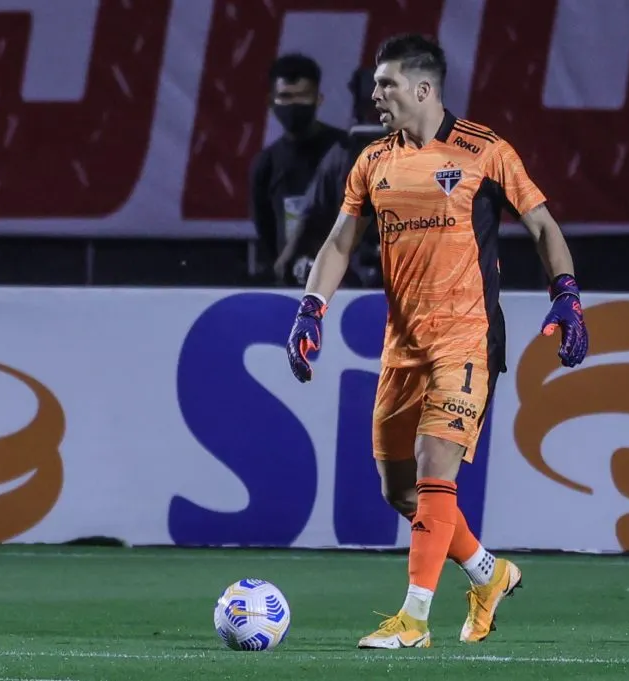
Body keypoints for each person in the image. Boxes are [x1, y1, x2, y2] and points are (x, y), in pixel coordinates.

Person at [284, 34, 589, 649]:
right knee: (399, 489)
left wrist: (567, 293)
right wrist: (312, 309)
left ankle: (414, 620)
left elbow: (541, 224)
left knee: (433, 468)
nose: (375, 94)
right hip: (403, 345)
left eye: (386, 84)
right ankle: (489, 572)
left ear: (423, 89)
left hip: (468, 338)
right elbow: (341, 242)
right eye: (375, 84)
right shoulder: (372, 162)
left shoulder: (484, 151)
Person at [274, 67, 388, 287]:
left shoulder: (428, 153)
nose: (377, 112)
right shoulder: (343, 154)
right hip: (353, 277)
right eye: (370, 104)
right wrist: (288, 259)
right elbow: (311, 214)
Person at [249, 54, 347, 285]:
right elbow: (266, 231)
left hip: (344, 283)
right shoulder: (266, 164)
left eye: (303, 96)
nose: (293, 105)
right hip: (291, 286)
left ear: (318, 99)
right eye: (285, 96)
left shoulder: (344, 149)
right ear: (270, 101)